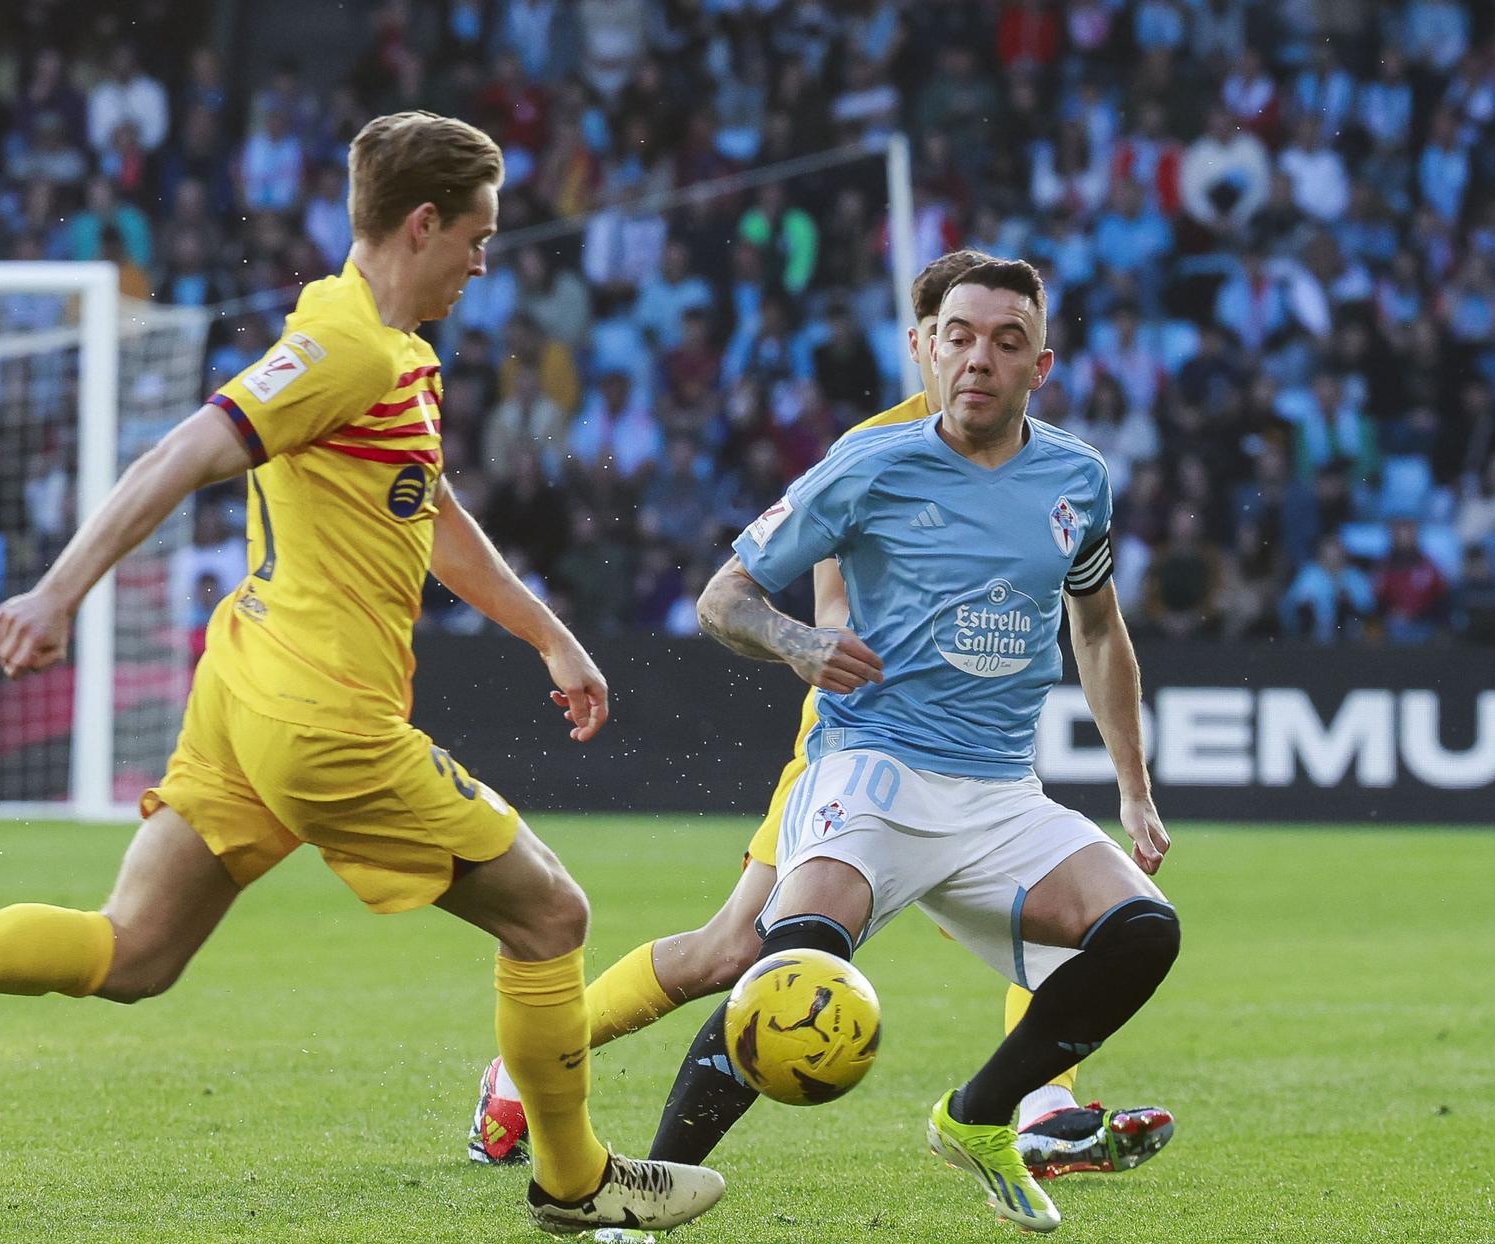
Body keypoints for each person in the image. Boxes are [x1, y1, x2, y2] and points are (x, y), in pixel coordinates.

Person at [0, 111, 722, 1238]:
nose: (484, 258)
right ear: (421, 223)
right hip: (326, 722)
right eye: (476, 234)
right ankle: (572, 1177)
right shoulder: (344, 348)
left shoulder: (387, 349)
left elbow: (432, 513)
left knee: (134, 950)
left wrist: (546, 632)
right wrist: (59, 591)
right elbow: (183, 451)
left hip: (244, 688)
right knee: (551, 914)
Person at [471, 251, 1176, 1187]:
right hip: (865, 760)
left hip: (996, 785)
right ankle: (574, 1122)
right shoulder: (874, 456)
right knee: (749, 955)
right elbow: (755, 598)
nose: (977, 360)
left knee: (1122, 927)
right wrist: (807, 643)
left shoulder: (1076, 478)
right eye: (957, 337)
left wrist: (1134, 789)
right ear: (923, 345)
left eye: (1007, 343)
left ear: (1039, 364)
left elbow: (1097, 627)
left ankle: (1009, 1112)